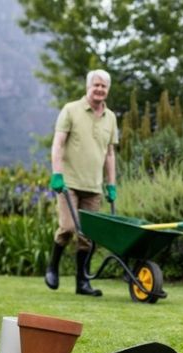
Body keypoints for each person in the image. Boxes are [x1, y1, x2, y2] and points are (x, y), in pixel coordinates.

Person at [45, 69, 118, 296]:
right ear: (88, 86)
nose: (99, 89)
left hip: (93, 186)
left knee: (88, 237)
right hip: (68, 183)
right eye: (96, 85)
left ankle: (82, 283)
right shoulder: (71, 110)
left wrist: (111, 184)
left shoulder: (111, 118)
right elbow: (57, 144)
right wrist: (57, 173)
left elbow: (109, 154)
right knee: (67, 228)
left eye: (103, 86)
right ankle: (52, 267)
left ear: (107, 90)